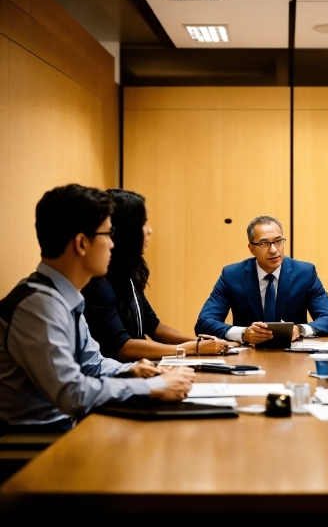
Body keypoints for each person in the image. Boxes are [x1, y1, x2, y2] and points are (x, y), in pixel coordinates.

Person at [0, 184, 195, 432]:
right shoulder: (39, 305)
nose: (113, 244)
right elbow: (72, 393)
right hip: (34, 440)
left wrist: (136, 371)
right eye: (107, 234)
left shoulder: (64, 296)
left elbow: (94, 364)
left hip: (67, 426)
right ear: (82, 243)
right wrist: (152, 388)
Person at [82, 189, 229, 361]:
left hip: (138, 369)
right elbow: (123, 347)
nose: (149, 230)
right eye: (143, 223)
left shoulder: (128, 273)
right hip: (120, 376)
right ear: (126, 230)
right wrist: (190, 348)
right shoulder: (99, 282)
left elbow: (155, 327)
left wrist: (201, 343)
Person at [195, 215, 328, 345]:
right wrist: (244, 334)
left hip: (294, 356)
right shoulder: (232, 275)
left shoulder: (305, 273)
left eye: (278, 241)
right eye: (264, 244)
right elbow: (204, 323)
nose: (274, 250)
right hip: (248, 356)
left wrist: (299, 330)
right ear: (251, 249)